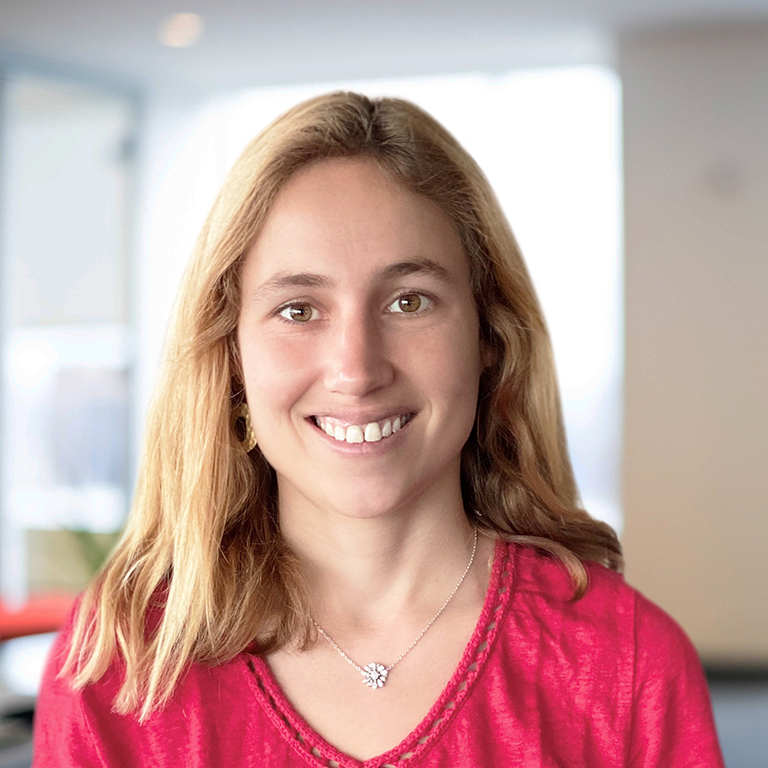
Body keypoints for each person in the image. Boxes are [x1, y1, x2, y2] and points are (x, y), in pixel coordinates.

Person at [32, 91, 724, 767]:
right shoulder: (119, 671)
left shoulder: (622, 663)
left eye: (408, 300)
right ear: (231, 354)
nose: (356, 369)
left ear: (490, 335)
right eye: (299, 310)